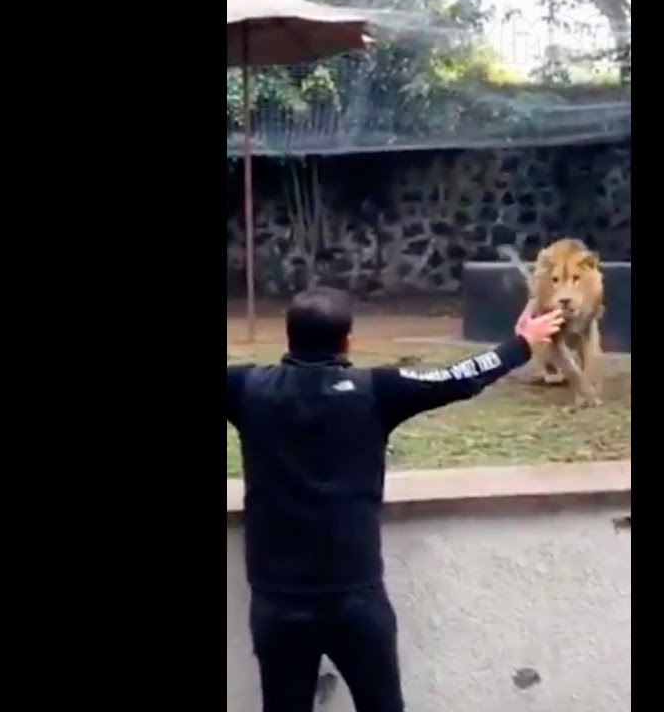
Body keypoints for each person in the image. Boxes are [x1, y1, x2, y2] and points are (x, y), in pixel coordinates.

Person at [226, 287, 563, 712]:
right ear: (347, 340)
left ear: (288, 338)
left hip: (278, 602)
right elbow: (458, 378)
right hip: (356, 598)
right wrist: (520, 345)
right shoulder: (374, 390)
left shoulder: (247, 389)